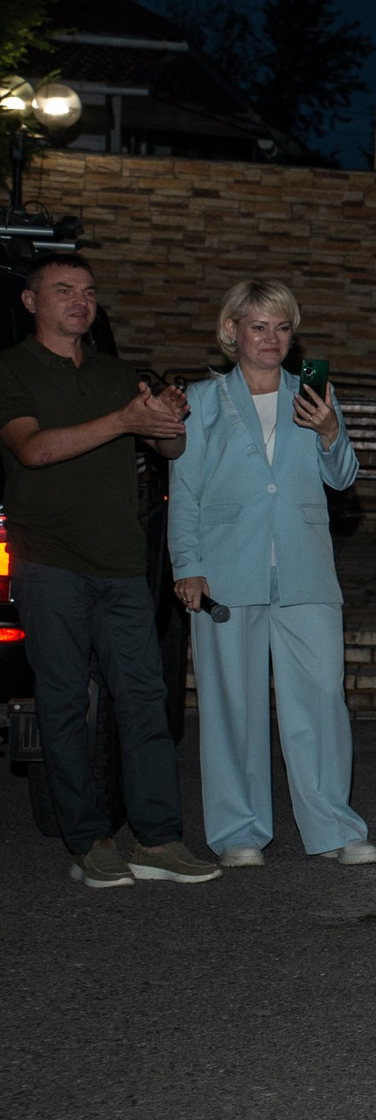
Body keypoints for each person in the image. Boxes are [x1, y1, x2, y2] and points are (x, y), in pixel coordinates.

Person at [0, 256, 214, 887]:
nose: (80, 301)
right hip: (51, 563)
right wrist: (126, 419)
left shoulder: (116, 372)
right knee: (65, 705)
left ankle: (159, 839)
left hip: (121, 564)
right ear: (30, 301)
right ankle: (91, 842)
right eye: (63, 290)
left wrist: (168, 416)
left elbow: (168, 447)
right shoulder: (11, 370)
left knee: (145, 702)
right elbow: (33, 449)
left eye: (89, 292)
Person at [170, 280, 373, 867]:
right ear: (231, 330)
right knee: (231, 701)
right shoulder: (202, 401)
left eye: (282, 327)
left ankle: (336, 827)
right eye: (259, 326)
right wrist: (189, 566)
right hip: (227, 572)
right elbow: (184, 492)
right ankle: (239, 830)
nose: (272, 339)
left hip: (306, 570)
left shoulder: (312, 392)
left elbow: (344, 478)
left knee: (320, 698)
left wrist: (332, 432)